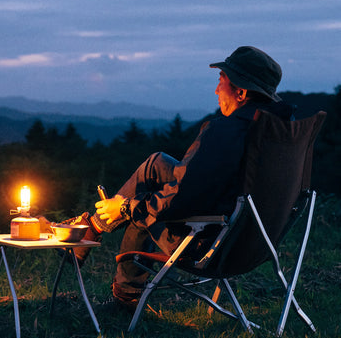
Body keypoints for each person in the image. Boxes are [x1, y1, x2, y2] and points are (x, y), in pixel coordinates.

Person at [43, 45, 294, 311]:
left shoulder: (226, 131)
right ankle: (92, 226)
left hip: (207, 242)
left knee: (140, 207)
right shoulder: (277, 131)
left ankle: (124, 299)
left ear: (241, 93)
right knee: (156, 164)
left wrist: (127, 207)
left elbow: (178, 201)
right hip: (251, 242)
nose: (216, 90)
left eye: (221, 81)